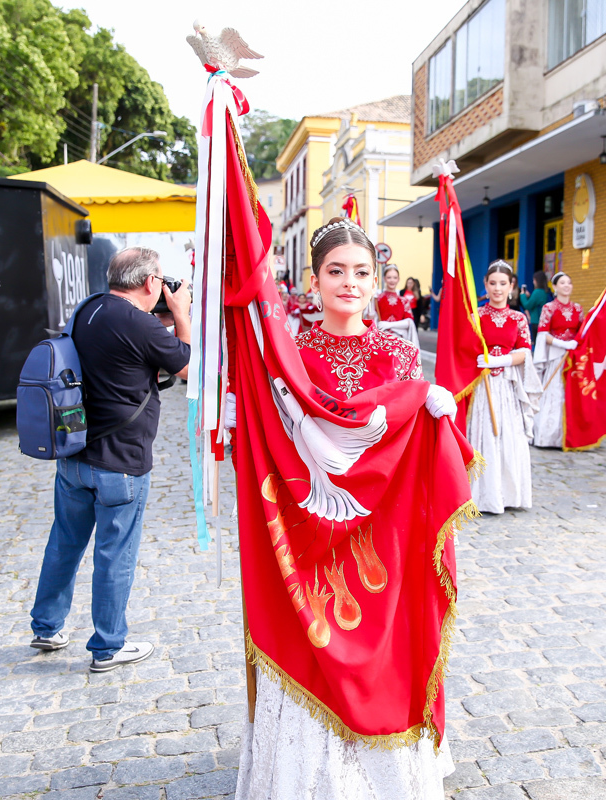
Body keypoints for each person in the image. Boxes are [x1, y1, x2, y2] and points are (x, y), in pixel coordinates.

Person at [231, 217, 461, 799]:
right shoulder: (290, 357)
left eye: (361, 272)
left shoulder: (401, 355)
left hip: (385, 531)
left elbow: (403, 446)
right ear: (314, 281)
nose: (349, 283)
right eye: (336, 271)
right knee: (309, 638)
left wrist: (430, 412)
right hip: (305, 530)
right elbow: (277, 438)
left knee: (386, 639)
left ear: (377, 281)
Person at [29, 247, 191, 672]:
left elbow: (122, 354)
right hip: (121, 462)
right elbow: (187, 366)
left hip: (75, 453)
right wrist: (182, 312)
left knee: (64, 543)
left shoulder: (88, 309)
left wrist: (161, 322)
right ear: (151, 282)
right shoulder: (141, 324)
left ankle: (46, 626)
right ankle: (108, 645)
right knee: (115, 553)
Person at [468, 261, 541, 514]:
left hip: (508, 387)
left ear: (511, 287)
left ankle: (508, 494)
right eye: (492, 283)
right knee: (483, 435)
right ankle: (482, 495)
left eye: (503, 284)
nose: (497, 289)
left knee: (508, 436)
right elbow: (464, 350)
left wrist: (500, 360)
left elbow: (525, 352)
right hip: (482, 386)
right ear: (485, 285)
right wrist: (478, 360)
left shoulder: (518, 318)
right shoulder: (475, 316)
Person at [532, 272, 581, 448]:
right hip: (555, 356)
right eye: (562, 283)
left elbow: (582, 331)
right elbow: (543, 334)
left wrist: (575, 343)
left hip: (572, 357)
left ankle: (568, 436)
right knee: (554, 391)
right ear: (555, 287)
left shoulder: (577, 309)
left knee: (570, 394)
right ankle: (547, 436)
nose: (566, 285)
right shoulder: (549, 308)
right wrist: (562, 344)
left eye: (569, 282)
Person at [374, 265, 418, 346]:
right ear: (384, 279)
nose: (392, 280)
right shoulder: (377, 299)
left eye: (395, 278)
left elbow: (409, 322)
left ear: (398, 279)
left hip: (399, 341)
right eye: (389, 277)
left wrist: (388, 325)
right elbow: (372, 319)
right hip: (382, 340)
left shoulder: (404, 301)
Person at [520, 271, 553, 343]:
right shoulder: (547, 291)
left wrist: (522, 295)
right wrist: (529, 297)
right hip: (546, 320)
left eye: (534, 280)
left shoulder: (537, 292)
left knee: (536, 343)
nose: (533, 282)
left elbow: (527, 305)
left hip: (536, 320)